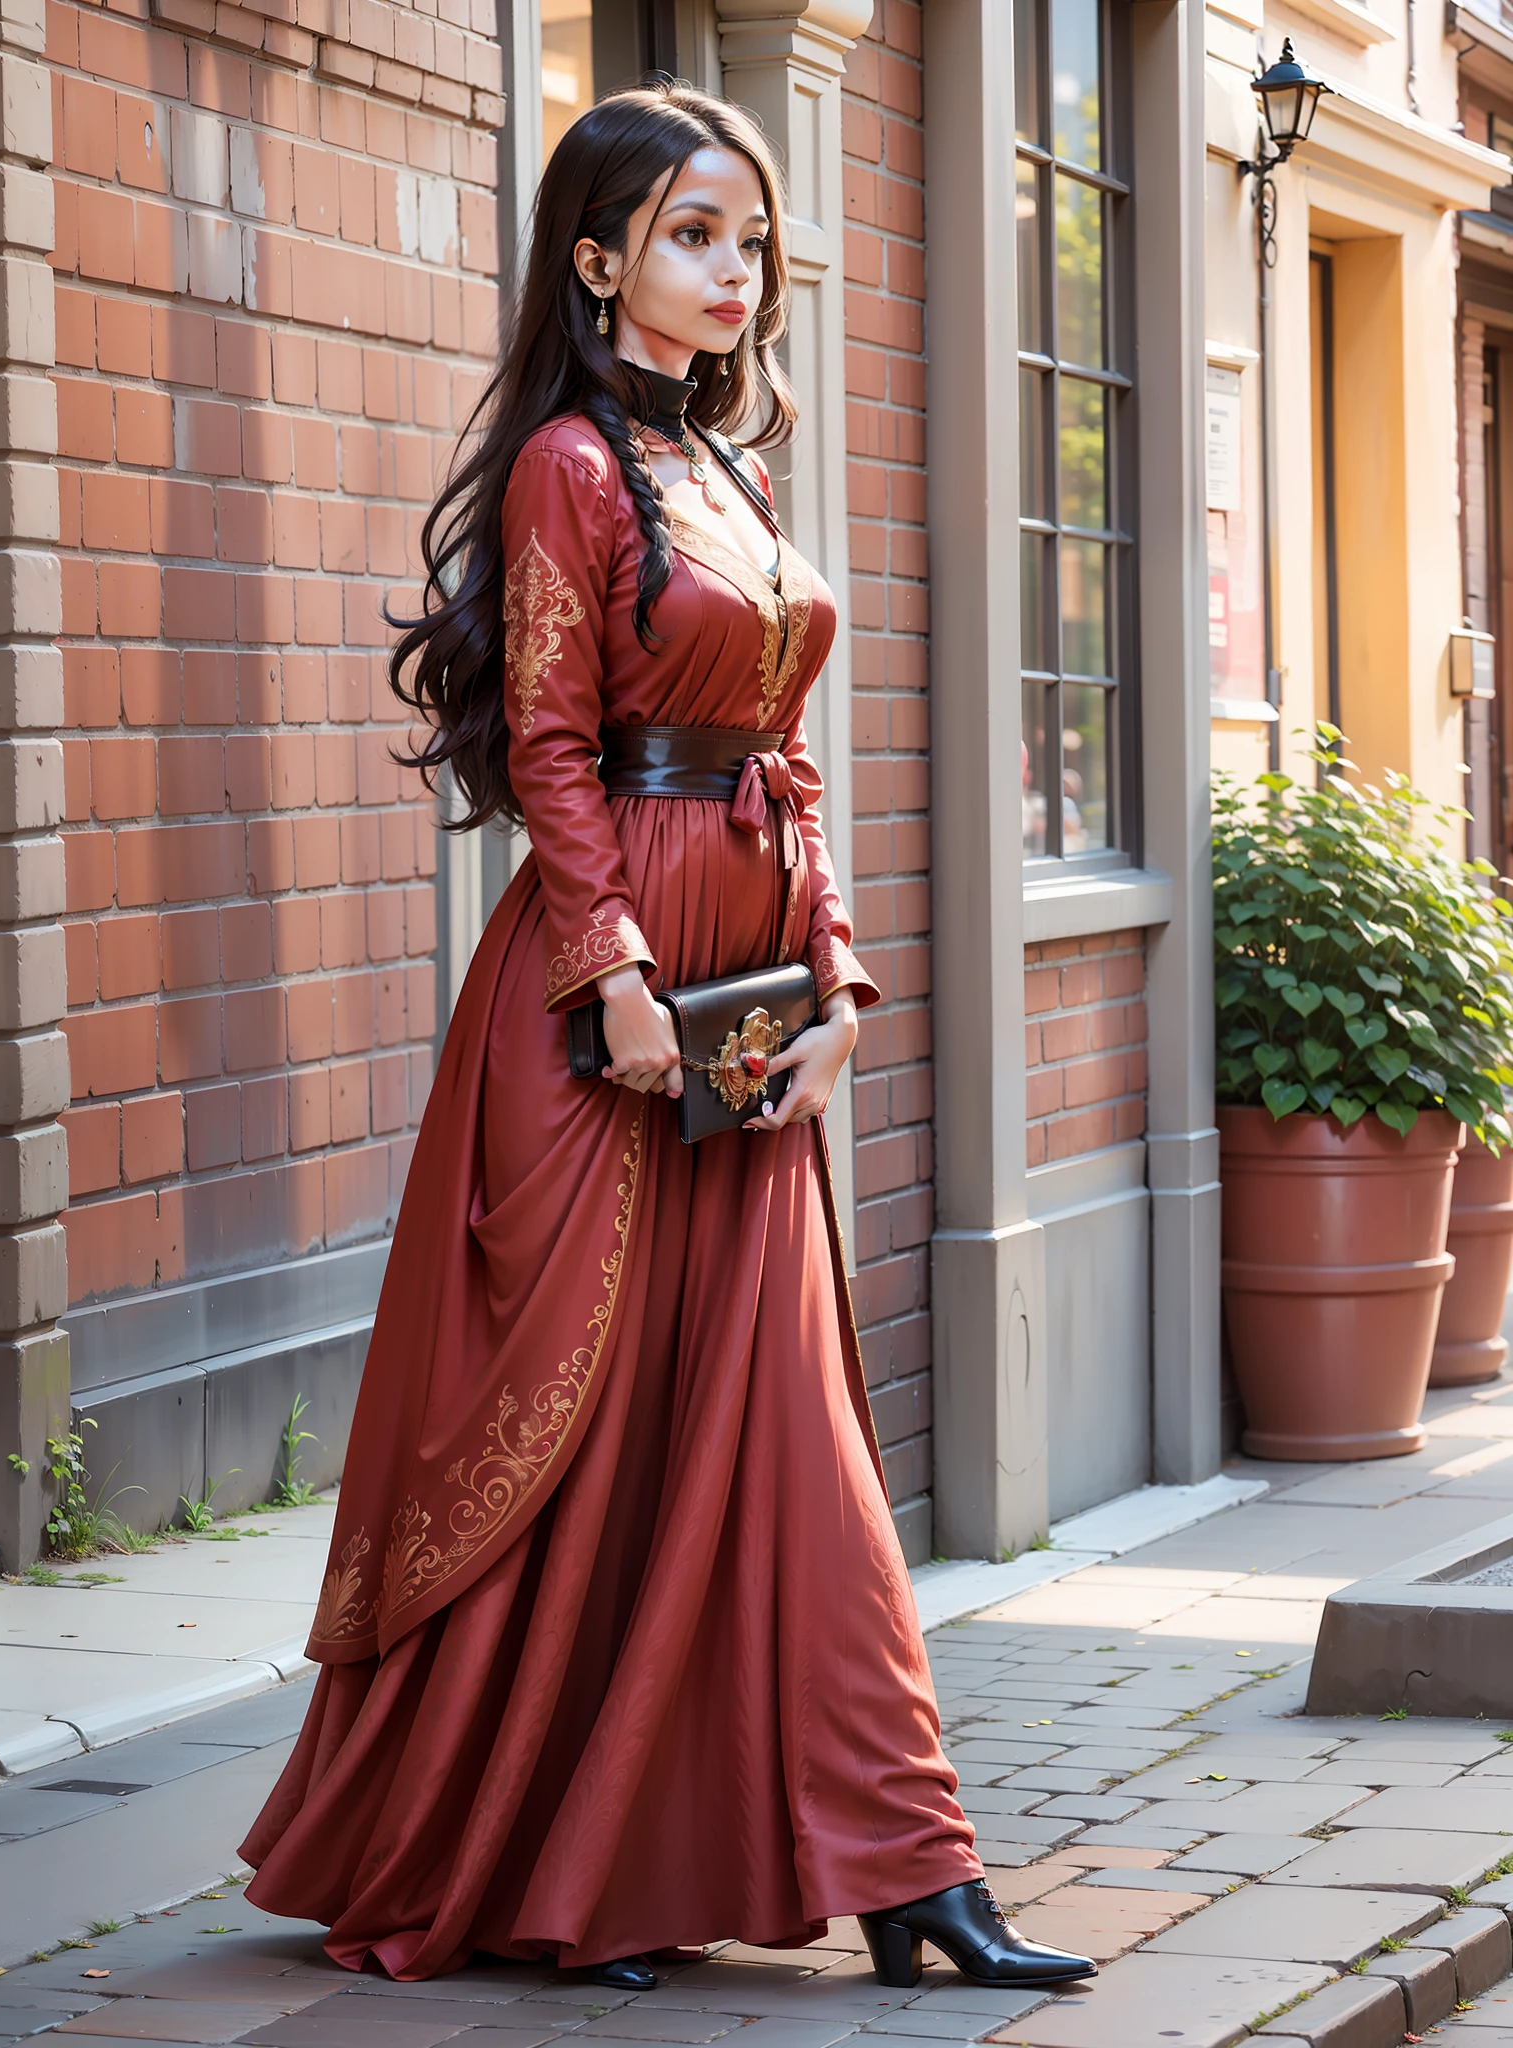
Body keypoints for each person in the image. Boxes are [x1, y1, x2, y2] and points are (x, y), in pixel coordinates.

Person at [238, 78, 1095, 1999]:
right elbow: (548, 741)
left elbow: (786, 756)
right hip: (603, 1013)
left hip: (749, 1014)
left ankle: (913, 1870)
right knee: (589, 1432)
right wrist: (611, 974)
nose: (734, 272)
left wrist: (843, 984)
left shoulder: (744, 476)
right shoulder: (568, 466)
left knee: (787, 1441)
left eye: (753, 240)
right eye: (695, 236)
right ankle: (557, 1868)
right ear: (600, 256)